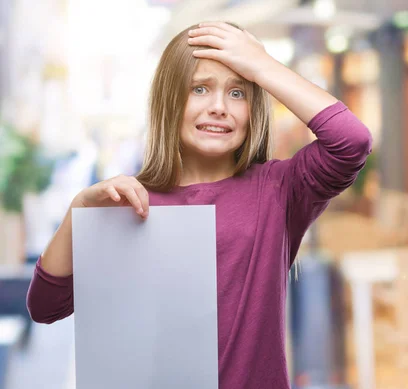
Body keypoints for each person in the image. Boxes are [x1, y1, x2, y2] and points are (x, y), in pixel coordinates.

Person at [26, 21, 372, 388]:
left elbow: (351, 141)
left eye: (238, 93)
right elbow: (46, 307)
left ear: (255, 107)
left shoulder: (280, 189)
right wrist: (78, 211)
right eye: (200, 89)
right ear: (169, 100)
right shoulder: (129, 203)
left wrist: (261, 65)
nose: (219, 107)